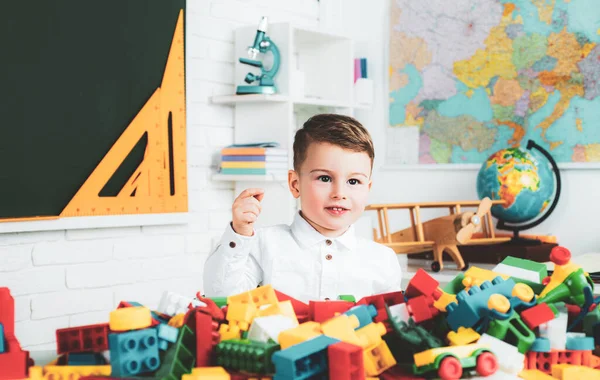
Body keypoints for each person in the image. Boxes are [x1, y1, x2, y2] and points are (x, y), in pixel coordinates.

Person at [203, 114, 402, 302]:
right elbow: (223, 298)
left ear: (367, 189)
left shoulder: (383, 260)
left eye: (353, 181)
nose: (339, 192)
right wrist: (240, 234)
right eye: (324, 178)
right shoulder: (264, 244)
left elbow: (392, 326)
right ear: (295, 184)